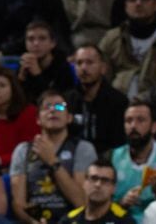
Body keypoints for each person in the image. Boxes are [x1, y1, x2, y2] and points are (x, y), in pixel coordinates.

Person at [10, 90, 97, 224]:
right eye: (46, 107)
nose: (52, 110)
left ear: (69, 117)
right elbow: (19, 203)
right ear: (38, 119)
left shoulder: (83, 149)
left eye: (59, 106)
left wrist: (53, 162)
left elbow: (82, 202)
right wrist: (35, 221)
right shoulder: (23, 150)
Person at [104, 102, 156, 222]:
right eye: (128, 120)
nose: (133, 126)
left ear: (154, 127)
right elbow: (99, 204)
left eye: (140, 120)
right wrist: (121, 203)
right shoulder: (110, 157)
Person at [58, 160, 136, 224]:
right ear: (85, 183)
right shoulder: (69, 220)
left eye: (105, 180)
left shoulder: (124, 221)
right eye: (94, 178)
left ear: (113, 188)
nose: (98, 184)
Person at [20, 21, 76, 103]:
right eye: (31, 39)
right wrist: (21, 78)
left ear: (53, 43)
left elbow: (60, 105)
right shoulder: (23, 64)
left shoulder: (62, 67)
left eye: (42, 38)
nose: (36, 43)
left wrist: (37, 75)